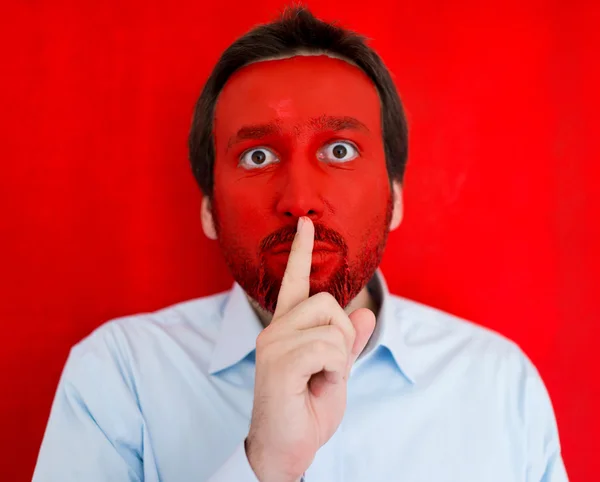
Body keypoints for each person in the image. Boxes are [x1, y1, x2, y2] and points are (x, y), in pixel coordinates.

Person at [33, 6, 568, 482]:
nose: (300, 201)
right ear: (208, 212)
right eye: (258, 157)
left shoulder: (498, 383)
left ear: (396, 200)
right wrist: (263, 464)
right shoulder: (121, 375)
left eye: (339, 149)